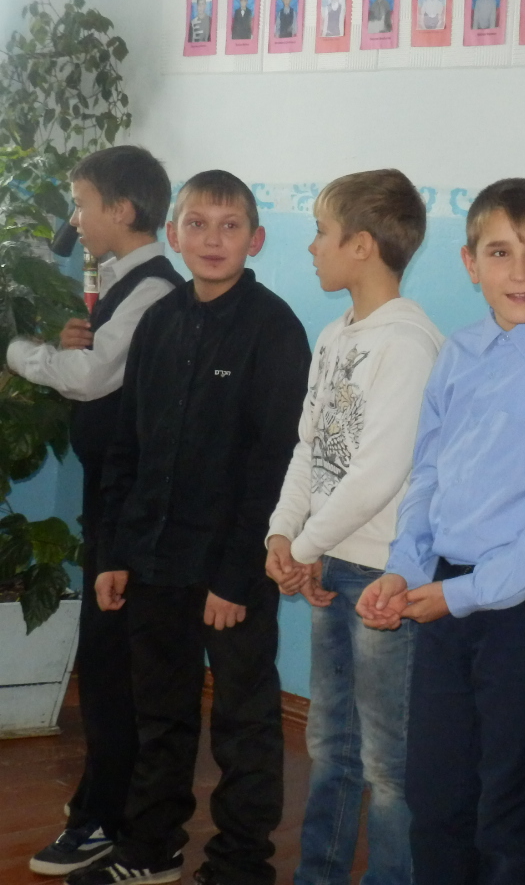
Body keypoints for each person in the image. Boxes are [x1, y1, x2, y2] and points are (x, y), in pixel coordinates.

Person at [68, 171, 312, 885]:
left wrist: (235, 577)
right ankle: (150, 850)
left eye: (229, 226)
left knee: (242, 722)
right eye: (197, 224)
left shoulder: (274, 329)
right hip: (153, 560)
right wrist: (116, 553)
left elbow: (275, 464)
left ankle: (240, 862)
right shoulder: (159, 321)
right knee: (161, 716)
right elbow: (129, 447)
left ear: (255, 240)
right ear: (173, 235)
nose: (212, 239)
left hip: (231, 569)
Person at [355, 178, 525, 885]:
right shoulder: (457, 353)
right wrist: (403, 569)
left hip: (523, 605)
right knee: (435, 792)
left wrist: (460, 596)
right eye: (499, 252)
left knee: (505, 802)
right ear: (469, 264)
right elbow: (427, 472)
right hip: (441, 595)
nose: (519, 271)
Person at [265, 170, 444, 885]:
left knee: (387, 761)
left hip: (378, 571)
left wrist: (306, 548)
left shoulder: (410, 342)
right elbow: (309, 448)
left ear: (362, 245)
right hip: (328, 562)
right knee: (330, 744)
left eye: (322, 233)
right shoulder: (335, 335)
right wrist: (283, 536)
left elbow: (379, 471)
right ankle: (320, 874)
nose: (312, 247)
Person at [10, 147, 184, 879]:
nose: (75, 219)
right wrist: (67, 342)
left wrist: (18, 353)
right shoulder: (121, 283)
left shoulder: (152, 289)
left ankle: (108, 818)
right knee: (107, 662)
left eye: (82, 204)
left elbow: (88, 378)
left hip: (133, 504)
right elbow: (95, 360)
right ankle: (104, 801)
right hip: (112, 495)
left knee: (113, 667)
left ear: (123, 209)